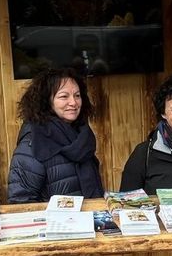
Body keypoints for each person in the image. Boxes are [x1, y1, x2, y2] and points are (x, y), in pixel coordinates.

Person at [7, 68, 104, 203]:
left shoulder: (82, 136)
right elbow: (21, 201)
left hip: (90, 219)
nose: (73, 102)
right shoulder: (33, 142)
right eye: (64, 96)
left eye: (77, 95)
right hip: (57, 224)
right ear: (47, 101)